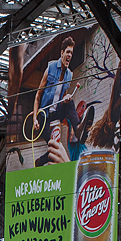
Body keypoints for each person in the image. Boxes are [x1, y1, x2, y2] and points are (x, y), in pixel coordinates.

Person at [32, 36, 77, 165]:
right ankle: (40, 161)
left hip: (57, 112)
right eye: (68, 52)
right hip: (45, 115)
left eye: (71, 53)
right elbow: (37, 96)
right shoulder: (50, 68)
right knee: (53, 146)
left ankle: (78, 127)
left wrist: (66, 99)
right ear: (62, 53)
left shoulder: (70, 74)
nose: (70, 55)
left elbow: (63, 99)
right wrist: (35, 118)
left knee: (71, 102)